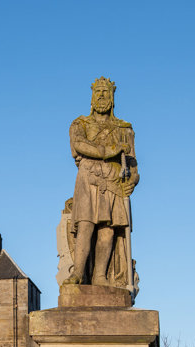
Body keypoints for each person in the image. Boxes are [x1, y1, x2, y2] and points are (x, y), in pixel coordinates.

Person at [65, 77, 139, 288]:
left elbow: (133, 166)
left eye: (106, 92)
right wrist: (110, 151)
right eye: (98, 92)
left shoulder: (124, 129)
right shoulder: (80, 124)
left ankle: (100, 276)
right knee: (86, 225)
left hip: (114, 181)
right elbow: (79, 145)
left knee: (107, 229)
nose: (101, 96)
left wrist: (132, 181)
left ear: (113, 98)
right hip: (89, 179)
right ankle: (78, 273)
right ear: (91, 97)